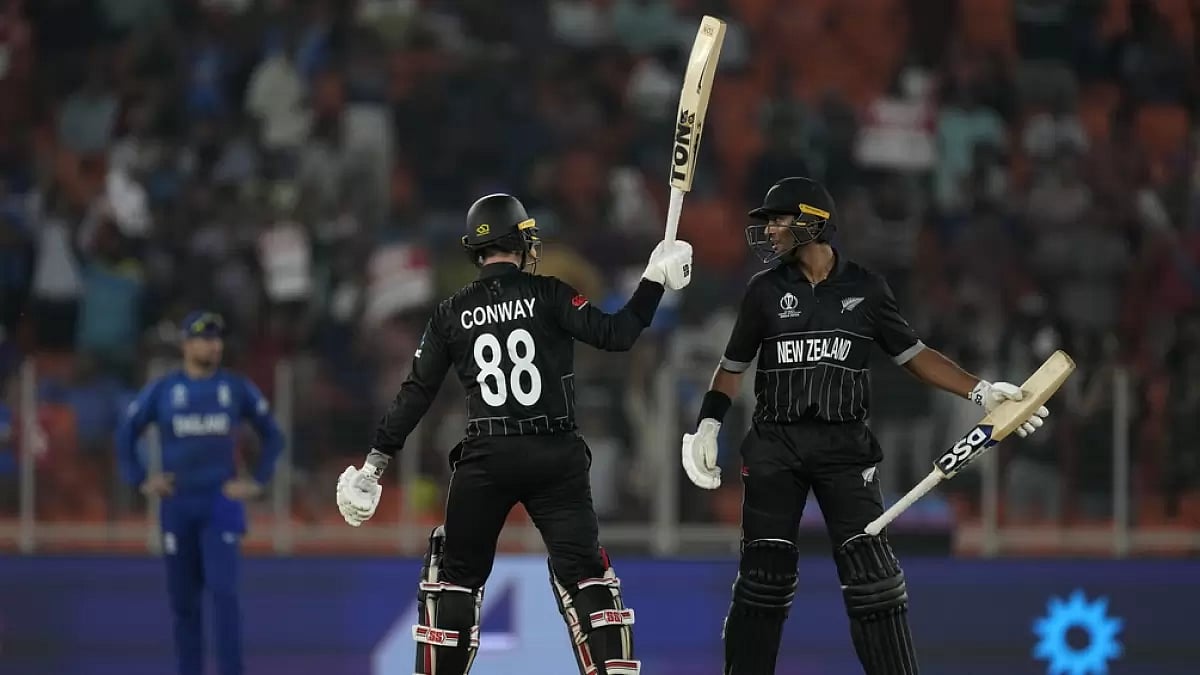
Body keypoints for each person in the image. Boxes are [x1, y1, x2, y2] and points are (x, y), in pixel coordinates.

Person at [679, 177, 1049, 675]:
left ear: (812, 221)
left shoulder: (866, 289)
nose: (769, 231)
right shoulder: (764, 292)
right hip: (776, 445)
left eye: (779, 220)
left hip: (844, 447)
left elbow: (914, 356)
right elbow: (732, 368)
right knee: (764, 576)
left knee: (873, 577)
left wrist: (980, 391)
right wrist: (708, 425)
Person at [336, 193, 694, 675]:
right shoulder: (549, 292)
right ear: (520, 241)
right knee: (588, 577)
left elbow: (416, 392)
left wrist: (375, 463)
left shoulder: (450, 312)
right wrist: (653, 282)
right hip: (556, 456)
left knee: (455, 580)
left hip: (487, 456)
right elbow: (618, 335)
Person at [116, 311, 284, 675]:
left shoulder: (235, 388)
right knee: (183, 602)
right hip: (177, 504)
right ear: (186, 344)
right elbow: (127, 432)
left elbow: (273, 435)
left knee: (224, 595)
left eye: (217, 338)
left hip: (219, 502)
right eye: (204, 338)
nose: (213, 344)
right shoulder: (164, 390)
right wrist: (142, 478)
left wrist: (256, 480)